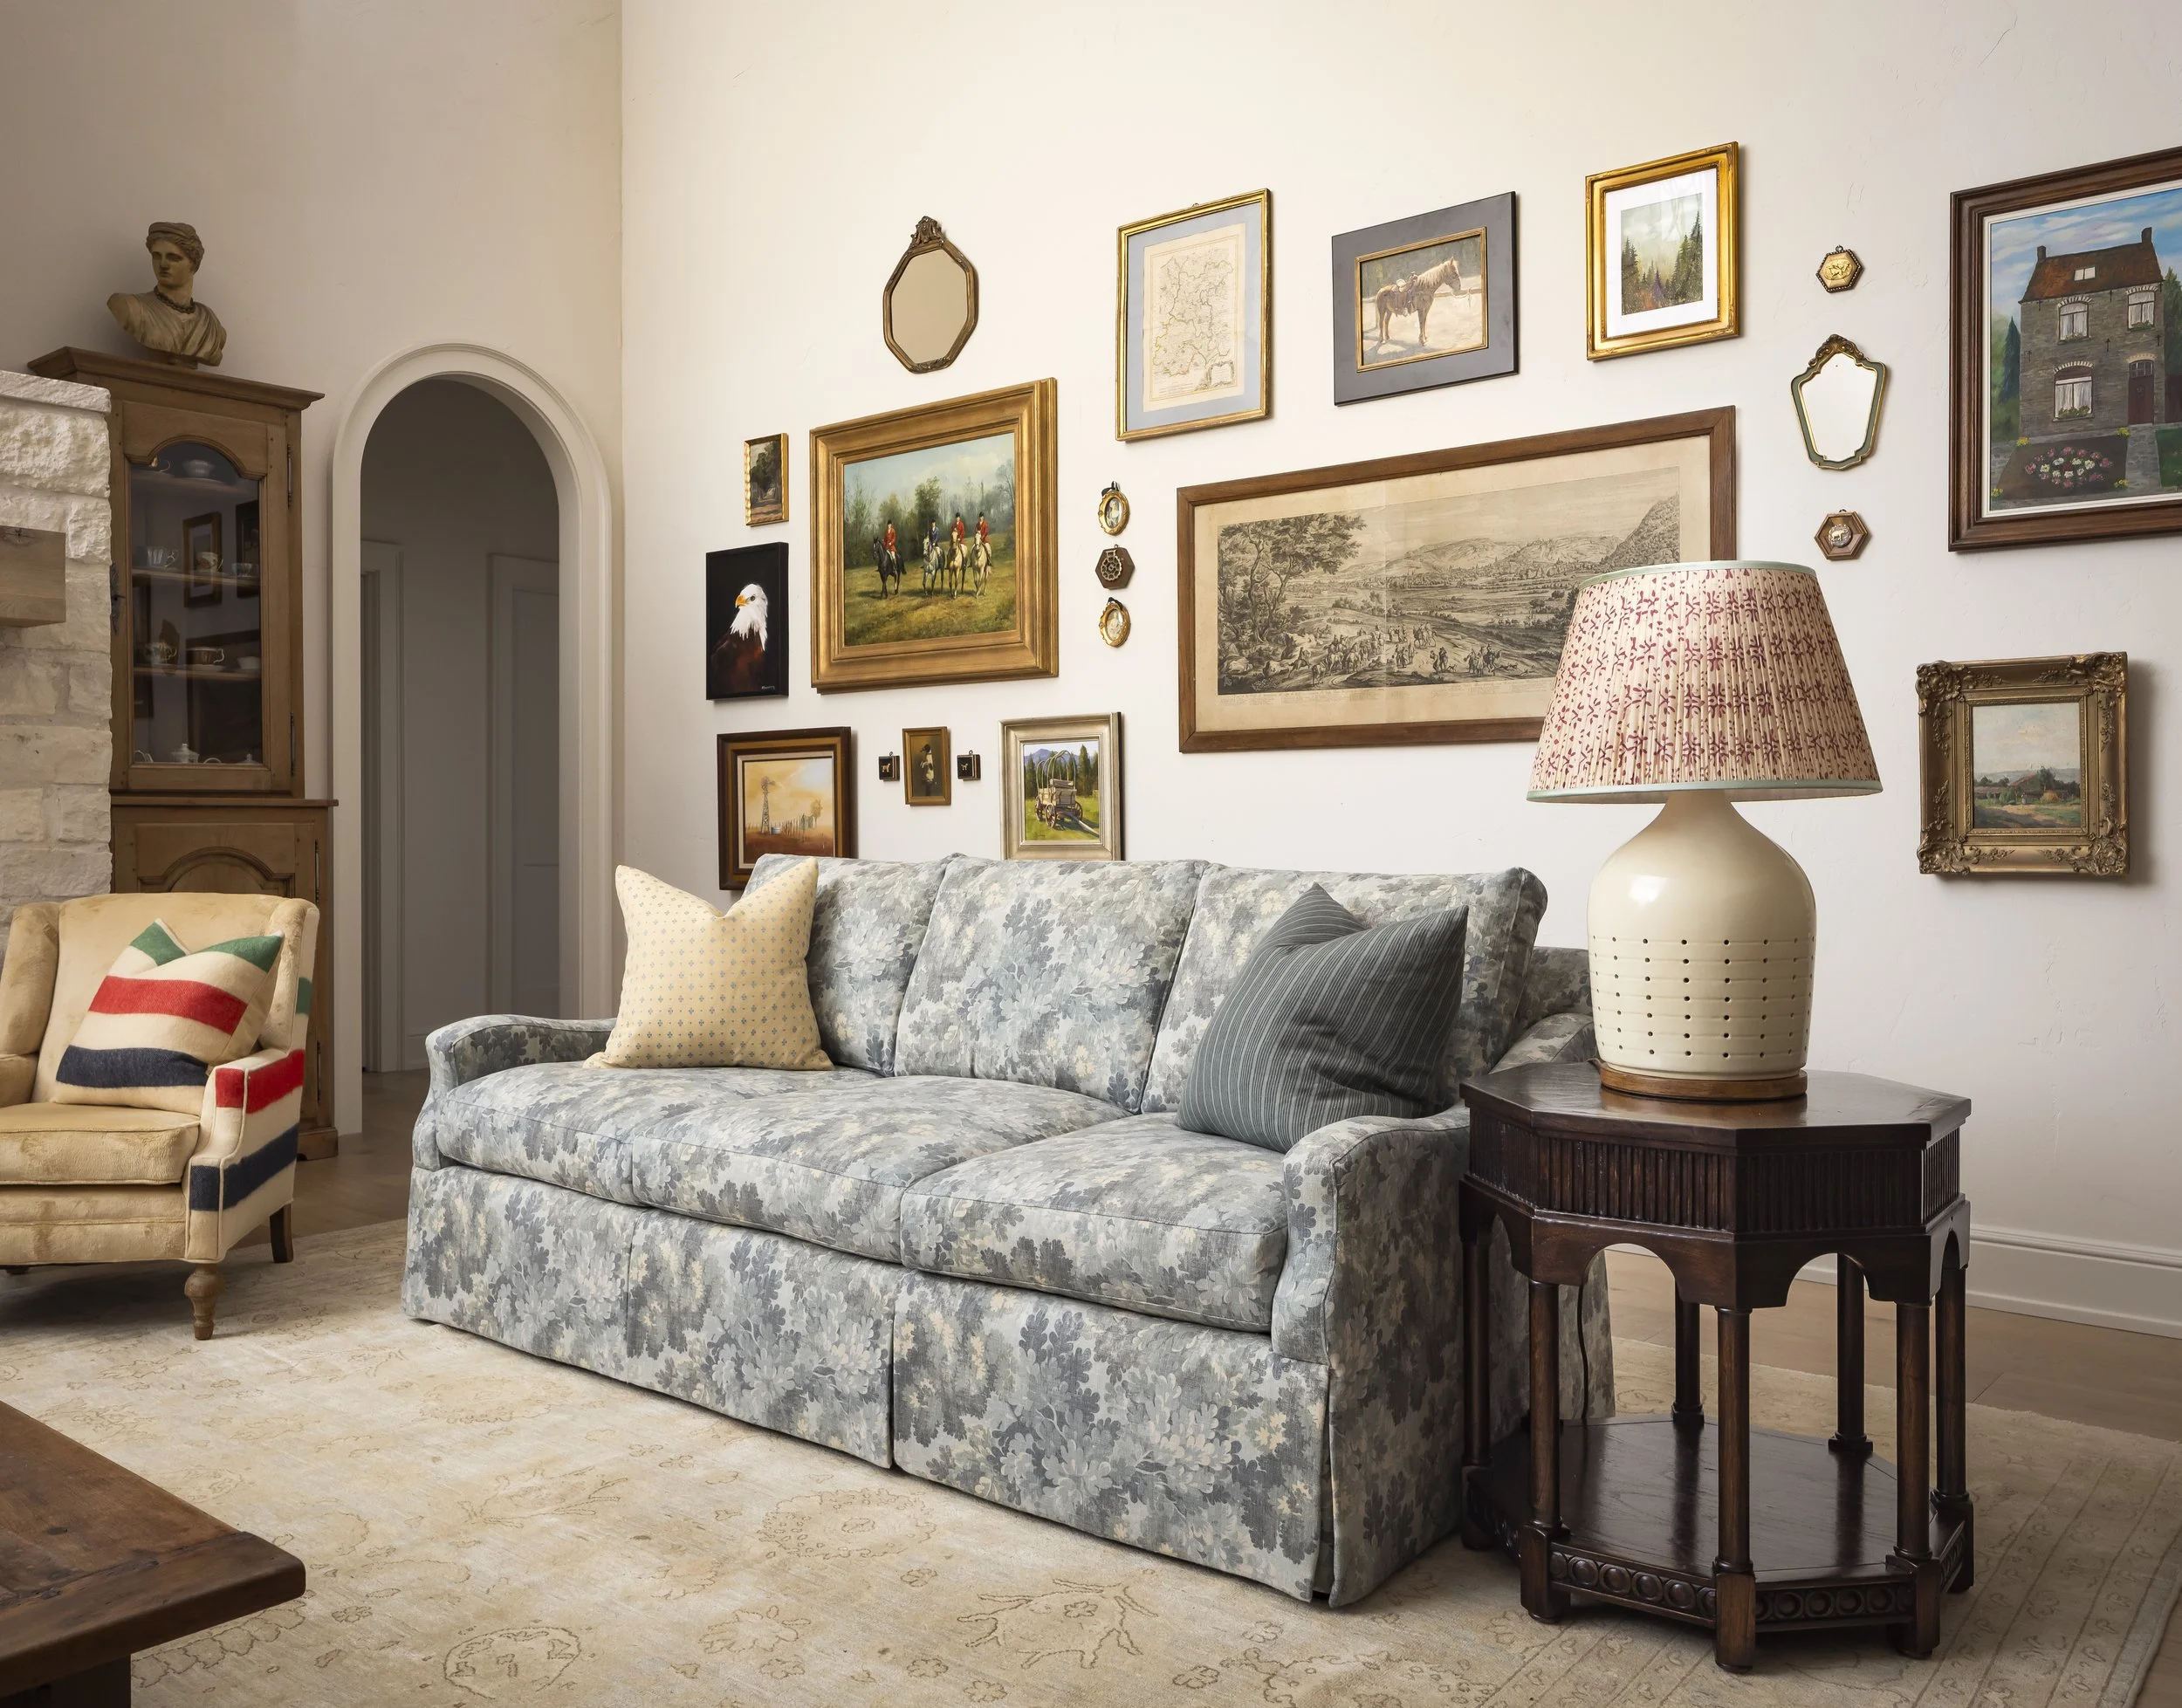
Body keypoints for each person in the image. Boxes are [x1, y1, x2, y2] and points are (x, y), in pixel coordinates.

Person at [106, 222, 227, 367]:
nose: (163, 264)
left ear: (193, 264)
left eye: (173, 257)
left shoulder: (210, 323)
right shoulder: (131, 306)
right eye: (157, 256)